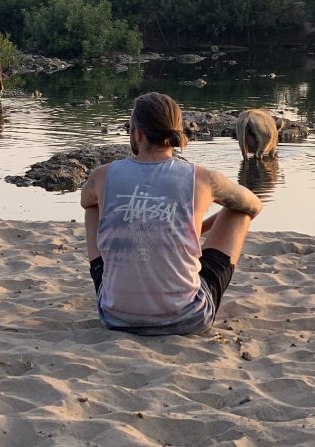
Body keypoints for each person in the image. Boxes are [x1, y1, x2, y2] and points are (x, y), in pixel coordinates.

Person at [80, 92, 263, 335]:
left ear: (137, 133)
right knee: (239, 210)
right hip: (190, 316)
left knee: (92, 207)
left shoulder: (102, 175)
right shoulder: (203, 178)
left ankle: (123, 290)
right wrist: (196, 224)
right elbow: (254, 205)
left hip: (115, 315)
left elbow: (86, 202)